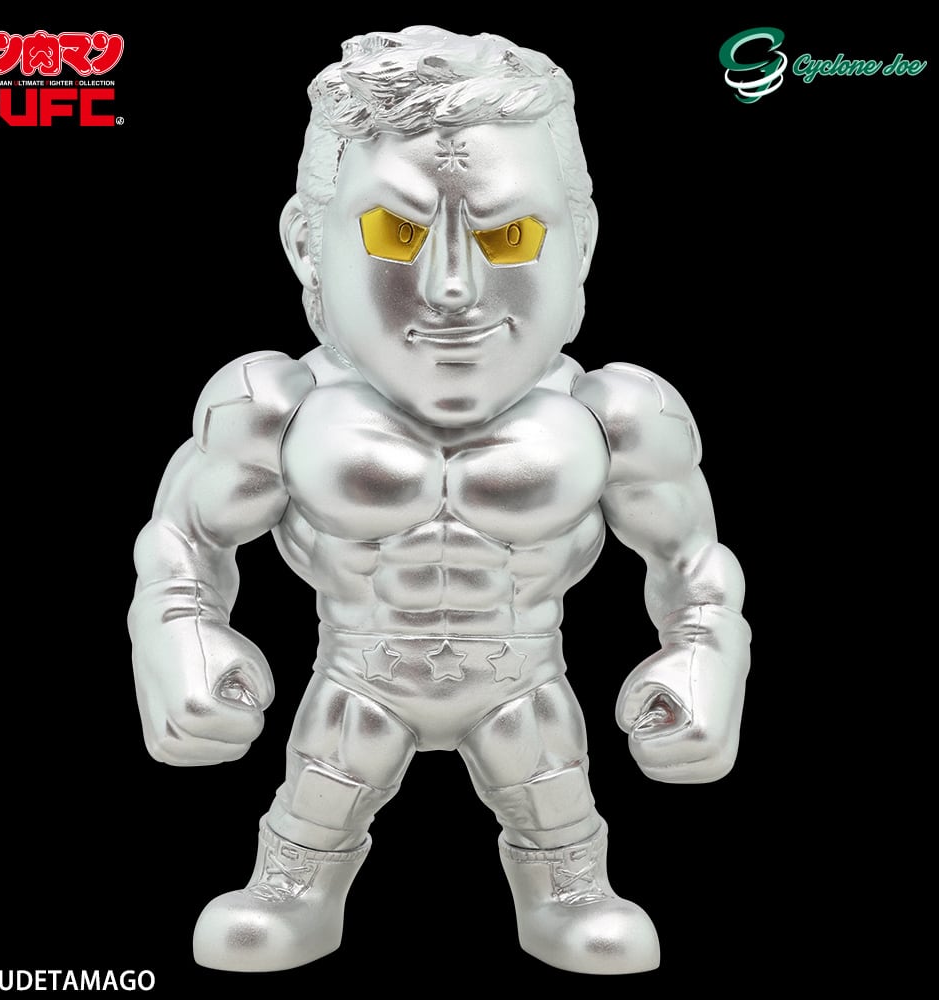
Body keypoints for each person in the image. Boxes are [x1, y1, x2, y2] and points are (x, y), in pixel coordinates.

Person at [129, 25, 750, 975]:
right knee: (303, 841)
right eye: (397, 233)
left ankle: (570, 891)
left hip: (526, 687)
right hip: (356, 683)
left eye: (507, 235)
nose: (453, 288)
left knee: (567, 852)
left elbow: (696, 568)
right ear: (306, 243)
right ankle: (292, 891)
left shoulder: (619, 417)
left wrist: (708, 656)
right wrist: (176, 639)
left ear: (580, 242)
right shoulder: (272, 408)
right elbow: (179, 547)